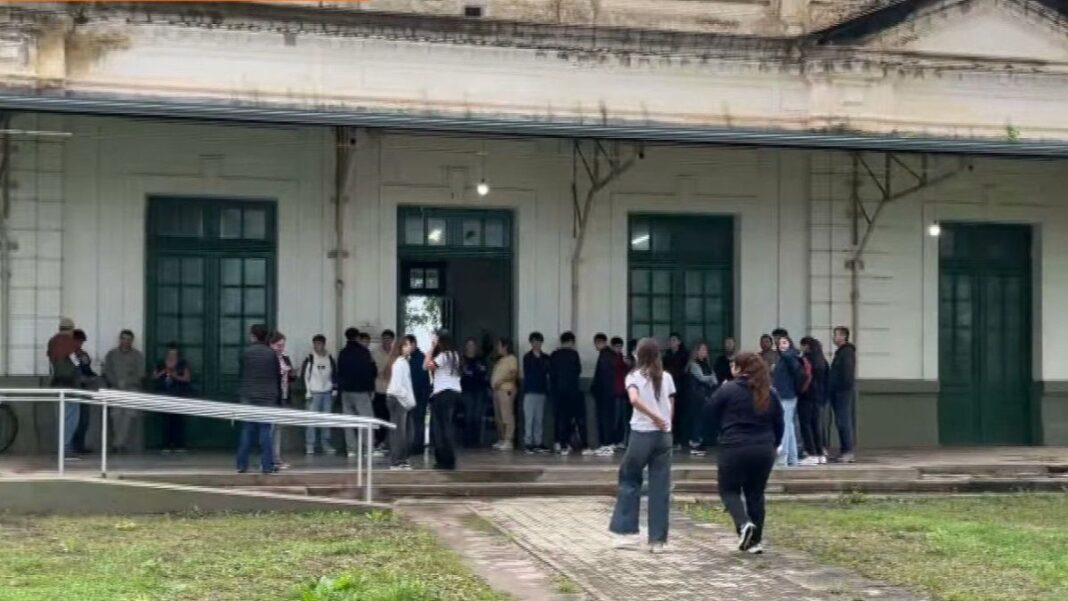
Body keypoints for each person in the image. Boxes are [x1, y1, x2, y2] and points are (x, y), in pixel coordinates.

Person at [707, 352, 784, 555]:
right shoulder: (771, 392)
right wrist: (774, 444)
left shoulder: (728, 390)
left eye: (734, 365)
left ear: (740, 369)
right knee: (756, 494)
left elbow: (709, 412)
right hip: (764, 449)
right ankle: (755, 542)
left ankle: (743, 524)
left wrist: (718, 434)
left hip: (734, 447)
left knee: (729, 490)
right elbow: (780, 423)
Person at [609, 338, 676, 554]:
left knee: (629, 477)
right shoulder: (666, 377)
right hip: (664, 436)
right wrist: (664, 422)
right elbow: (671, 405)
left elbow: (634, 400)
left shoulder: (635, 376)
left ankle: (626, 531)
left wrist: (653, 417)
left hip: (642, 434)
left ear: (640, 355)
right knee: (660, 485)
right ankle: (658, 540)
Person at [236, 324, 280, 474]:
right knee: (265, 431)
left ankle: (242, 464)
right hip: (267, 397)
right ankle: (267, 465)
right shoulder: (271, 354)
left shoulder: (246, 353)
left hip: (249, 395)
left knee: (247, 430)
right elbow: (277, 375)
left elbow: (241, 373)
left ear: (253, 336)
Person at [337, 327, 377, 459]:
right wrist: (371, 389)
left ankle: (351, 450)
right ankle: (368, 448)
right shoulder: (364, 352)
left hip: (346, 392)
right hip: (361, 391)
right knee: (367, 420)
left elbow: (339, 373)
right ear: (358, 337)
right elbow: (371, 372)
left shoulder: (342, 353)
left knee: (348, 421)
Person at [425, 330, 462, 470]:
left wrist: (432, 348)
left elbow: (428, 366)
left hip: (442, 394)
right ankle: (449, 459)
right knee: (447, 426)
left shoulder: (444, 355)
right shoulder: (456, 355)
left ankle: (443, 459)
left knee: (440, 428)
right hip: (454, 393)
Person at [47, 317, 80, 460]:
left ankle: (62, 448)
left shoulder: (52, 342)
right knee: (71, 418)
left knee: (60, 417)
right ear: (71, 329)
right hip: (69, 385)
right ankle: (66, 449)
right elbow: (76, 363)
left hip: (56, 384)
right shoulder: (70, 343)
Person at [301, 334, 337, 455]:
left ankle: (325, 443)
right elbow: (305, 375)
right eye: (316, 343)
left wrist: (334, 388)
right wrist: (307, 391)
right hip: (313, 393)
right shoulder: (310, 358)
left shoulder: (329, 357)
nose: (318, 346)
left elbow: (334, 373)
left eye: (320, 343)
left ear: (324, 344)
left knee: (326, 420)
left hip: (327, 392)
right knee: (311, 420)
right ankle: (310, 444)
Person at [771, 331, 803, 467]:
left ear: (790, 343)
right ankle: (792, 458)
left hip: (787, 395)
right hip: (786, 395)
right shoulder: (784, 358)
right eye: (780, 343)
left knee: (785, 426)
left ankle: (783, 457)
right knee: (788, 426)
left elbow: (795, 370)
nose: (781, 345)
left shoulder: (789, 356)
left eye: (785, 342)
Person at [550, 331, 584, 454]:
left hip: (557, 391)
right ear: (571, 342)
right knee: (568, 417)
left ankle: (557, 442)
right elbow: (578, 371)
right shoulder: (574, 354)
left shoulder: (554, 354)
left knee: (558, 416)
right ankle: (565, 444)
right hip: (571, 391)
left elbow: (551, 373)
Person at [153, 342, 191, 453]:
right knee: (166, 421)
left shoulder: (182, 363)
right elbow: (154, 376)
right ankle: (166, 444)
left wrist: (175, 375)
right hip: (164, 395)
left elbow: (187, 378)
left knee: (178, 420)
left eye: (174, 354)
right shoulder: (160, 363)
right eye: (170, 353)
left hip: (178, 394)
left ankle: (179, 444)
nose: (172, 356)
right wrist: (162, 372)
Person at [385, 335, 416, 470]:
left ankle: (401, 459)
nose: (409, 347)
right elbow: (397, 387)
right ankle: (396, 461)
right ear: (401, 347)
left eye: (409, 344)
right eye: (406, 344)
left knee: (403, 432)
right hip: (398, 400)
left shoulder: (403, 362)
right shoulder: (399, 363)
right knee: (399, 432)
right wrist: (407, 399)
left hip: (400, 400)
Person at [798, 336, 829, 465]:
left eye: (802, 345)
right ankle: (820, 452)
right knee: (816, 425)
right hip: (819, 396)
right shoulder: (822, 360)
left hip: (806, 395)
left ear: (807, 346)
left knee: (806, 425)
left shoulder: (806, 360)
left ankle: (811, 453)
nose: (801, 348)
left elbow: (802, 377)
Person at [829, 326, 857, 463]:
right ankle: (844, 450)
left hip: (842, 392)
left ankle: (848, 451)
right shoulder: (840, 352)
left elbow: (847, 374)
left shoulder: (846, 352)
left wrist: (841, 388)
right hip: (838, 391)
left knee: (843, 421)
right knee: (840, 421)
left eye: (835, 335)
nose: (833, 338)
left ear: (843, 336)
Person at [269, 331, 296, 470]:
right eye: (279, 345)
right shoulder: (269, 357)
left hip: (284, 396)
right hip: (273, 397)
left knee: (278, 429)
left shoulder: (285, 357)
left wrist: (291, 373)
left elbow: (290, 377)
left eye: (283, 345)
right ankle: (271, 458)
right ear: (271, 344)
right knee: (271, 429)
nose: (281, 348)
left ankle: (276, 457)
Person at [70, 329, 99, 454]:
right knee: (73, 419)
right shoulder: (68, 354)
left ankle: (79, 445)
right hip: (73, 388)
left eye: (82, 342)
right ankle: (70, 446)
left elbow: (87, 371)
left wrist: (92, 376)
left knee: (84, 419)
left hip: (84, 389)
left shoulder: (82, 354)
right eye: (78, 341)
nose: (80, 344)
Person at [687, 340, 718, 456]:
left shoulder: (707, 364)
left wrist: (710, 378)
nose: (705, 352)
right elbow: (702, 378)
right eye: (702, 349)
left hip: (706, 395)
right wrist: (710, 378)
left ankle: (702, 441)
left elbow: (714, 379)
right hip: (696, 396)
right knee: (697, 420)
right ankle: (695, 443)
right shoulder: (694, 364)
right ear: (697, 351)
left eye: (706, 350)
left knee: (703, 420)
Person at [522, 332, 551, 454]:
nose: (536, 344)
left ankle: (538, 442)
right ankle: (528, 443)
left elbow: (547, 371)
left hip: (542, 391)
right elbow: (530, 371)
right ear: (531, 342)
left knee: (539, 419)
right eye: (534, 341)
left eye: (539, 341)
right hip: (530, 391)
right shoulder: (527, 357)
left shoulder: (546, 357)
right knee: (529, 418)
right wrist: (538, 359)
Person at [460, 337, 490, 448]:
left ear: (475, 347)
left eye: (473, 345)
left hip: (480, 391)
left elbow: (484, 374)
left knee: (477, 416)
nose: (471, 347)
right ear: (466, 347)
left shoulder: (480, 360)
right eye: (469, 345)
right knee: (468, 415)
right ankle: (467, 441)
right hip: (467, 391)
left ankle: (476, 441)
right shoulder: (462, 360)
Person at [490, 337, 519, 451]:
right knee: (499, 417)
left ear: (505, 346)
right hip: (496, 391)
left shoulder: (511, 359)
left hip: (505, 390)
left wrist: (501, 381)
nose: (497, 348)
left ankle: (508, 440)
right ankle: (501, 439)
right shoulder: (500, 360)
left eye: (499, 345)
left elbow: (513, 374)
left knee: (507, 415)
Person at [663, 333, 690, 452]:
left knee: (680, 414)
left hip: (681, 388)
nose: (671, 343)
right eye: (670, 340)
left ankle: (680, 440)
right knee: (669, 414)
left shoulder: (684, 355)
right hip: (668, 388)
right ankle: (670, 440)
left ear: (679, 342)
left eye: (674, 340)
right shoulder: (667, 355)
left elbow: (684, 371)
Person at [591, 333, 617, 456]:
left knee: (604, 418)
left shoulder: (605, 355)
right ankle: (607, 444)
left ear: (599, 342)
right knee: (608, 418)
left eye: (596, 343)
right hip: (610, 392)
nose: (595, 346)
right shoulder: (611, 355)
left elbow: (603, 377)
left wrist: (597, 389)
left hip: (604, 393)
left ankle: (606, 444)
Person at [407, 334, 432, 454]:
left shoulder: (419, 358)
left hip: (418, 394)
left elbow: (419, 378)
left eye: (407, 345)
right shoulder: (411, 358)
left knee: (417, 421)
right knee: (415, 421)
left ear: (413, 344)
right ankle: (415, 444)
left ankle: (417, 446)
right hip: (416, 394)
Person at [371, 330, 395, 449]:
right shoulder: (375, 353)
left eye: (388, 339)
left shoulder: (396, 354)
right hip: (379, 390)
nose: (386, 341)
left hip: (391, 391)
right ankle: (378, 440)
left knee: (389, 417)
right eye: (384, 339)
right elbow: (374, 371)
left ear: (392, 340)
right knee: (378, 416)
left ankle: (387, 441)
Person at [610, 337, 630, 451]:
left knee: (623, 418)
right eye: (617, 346)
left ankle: (621, 441)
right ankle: (614, 440)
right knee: (616, 418)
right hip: (615, 392)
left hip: (623, 392)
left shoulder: (623, 358)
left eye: (620, 346)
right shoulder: (612, 358)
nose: (619, 349)